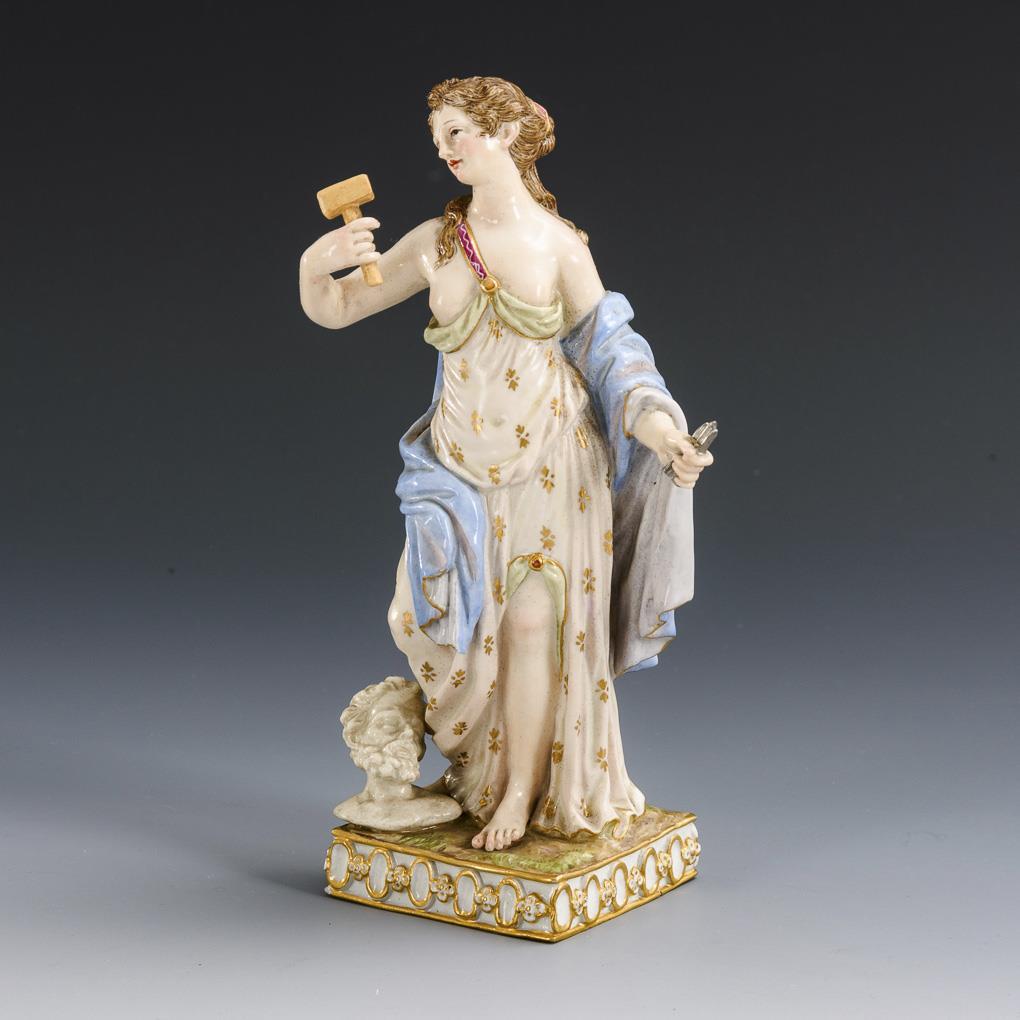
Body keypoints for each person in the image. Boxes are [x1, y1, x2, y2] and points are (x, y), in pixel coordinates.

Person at [299, 76, 712, 852]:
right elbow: (341, 308)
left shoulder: (559, 245)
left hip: (552, 460)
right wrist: (318, 266)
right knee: (416, 618)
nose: (446, 150)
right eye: (438, 139)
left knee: (531, 623)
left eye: (458, 132)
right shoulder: (436, 241)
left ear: (507, 133)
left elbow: (611, 352)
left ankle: (521, 790)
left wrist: (661, 432)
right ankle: (478, 774)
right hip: (456, 464)